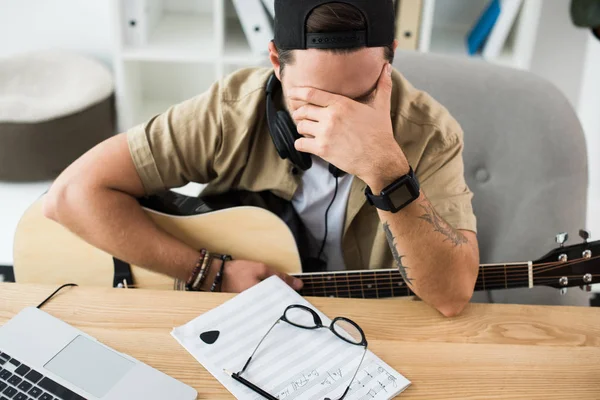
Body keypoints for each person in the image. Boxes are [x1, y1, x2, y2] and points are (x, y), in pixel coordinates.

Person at [43, 0, 480, 317]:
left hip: (373, 320)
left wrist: (386, 168)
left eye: (361, 97)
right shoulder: (230, 110)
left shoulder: (432, 135)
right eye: (314, 99)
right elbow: (70, 196)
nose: (337, 121)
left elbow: (451, 295)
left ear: (390, 59)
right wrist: (208, 273)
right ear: (275, 61)